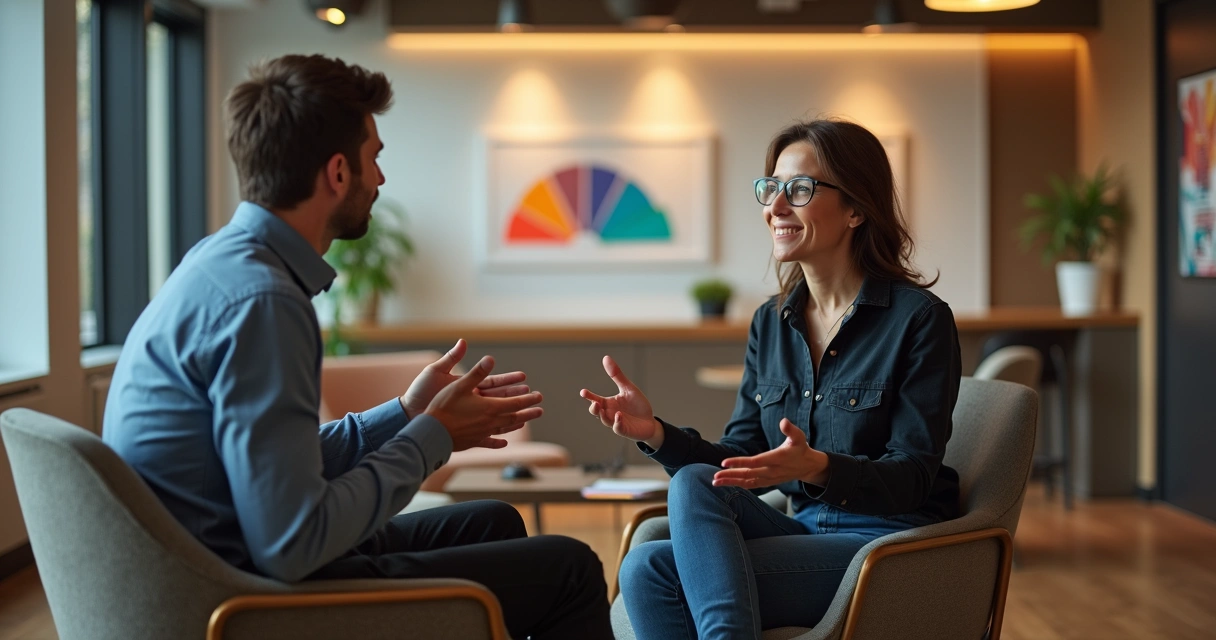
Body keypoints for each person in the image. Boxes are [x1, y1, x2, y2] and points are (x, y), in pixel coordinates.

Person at [103, 54, 611, 639]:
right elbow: (292, 544)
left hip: (224, 560)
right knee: (570, 569)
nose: (381, 180)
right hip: (243, 601)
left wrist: (407, 414)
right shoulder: (264, 303)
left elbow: (276, 464)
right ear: (339, 173)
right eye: (376, 158)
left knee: (492, 521)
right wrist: (432, 437)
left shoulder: (221, 264)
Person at [580, 118, 962, 638]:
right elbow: (739, 457)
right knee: (659, 543)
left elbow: (913, 476)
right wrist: (656, 434)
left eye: (799, 189)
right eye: (771, 188)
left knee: (654, 573)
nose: (775, 206)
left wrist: (820, 468)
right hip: (802, 527)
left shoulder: (919, 319)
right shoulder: (771, 321)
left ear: (855, 209)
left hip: (884, 543)